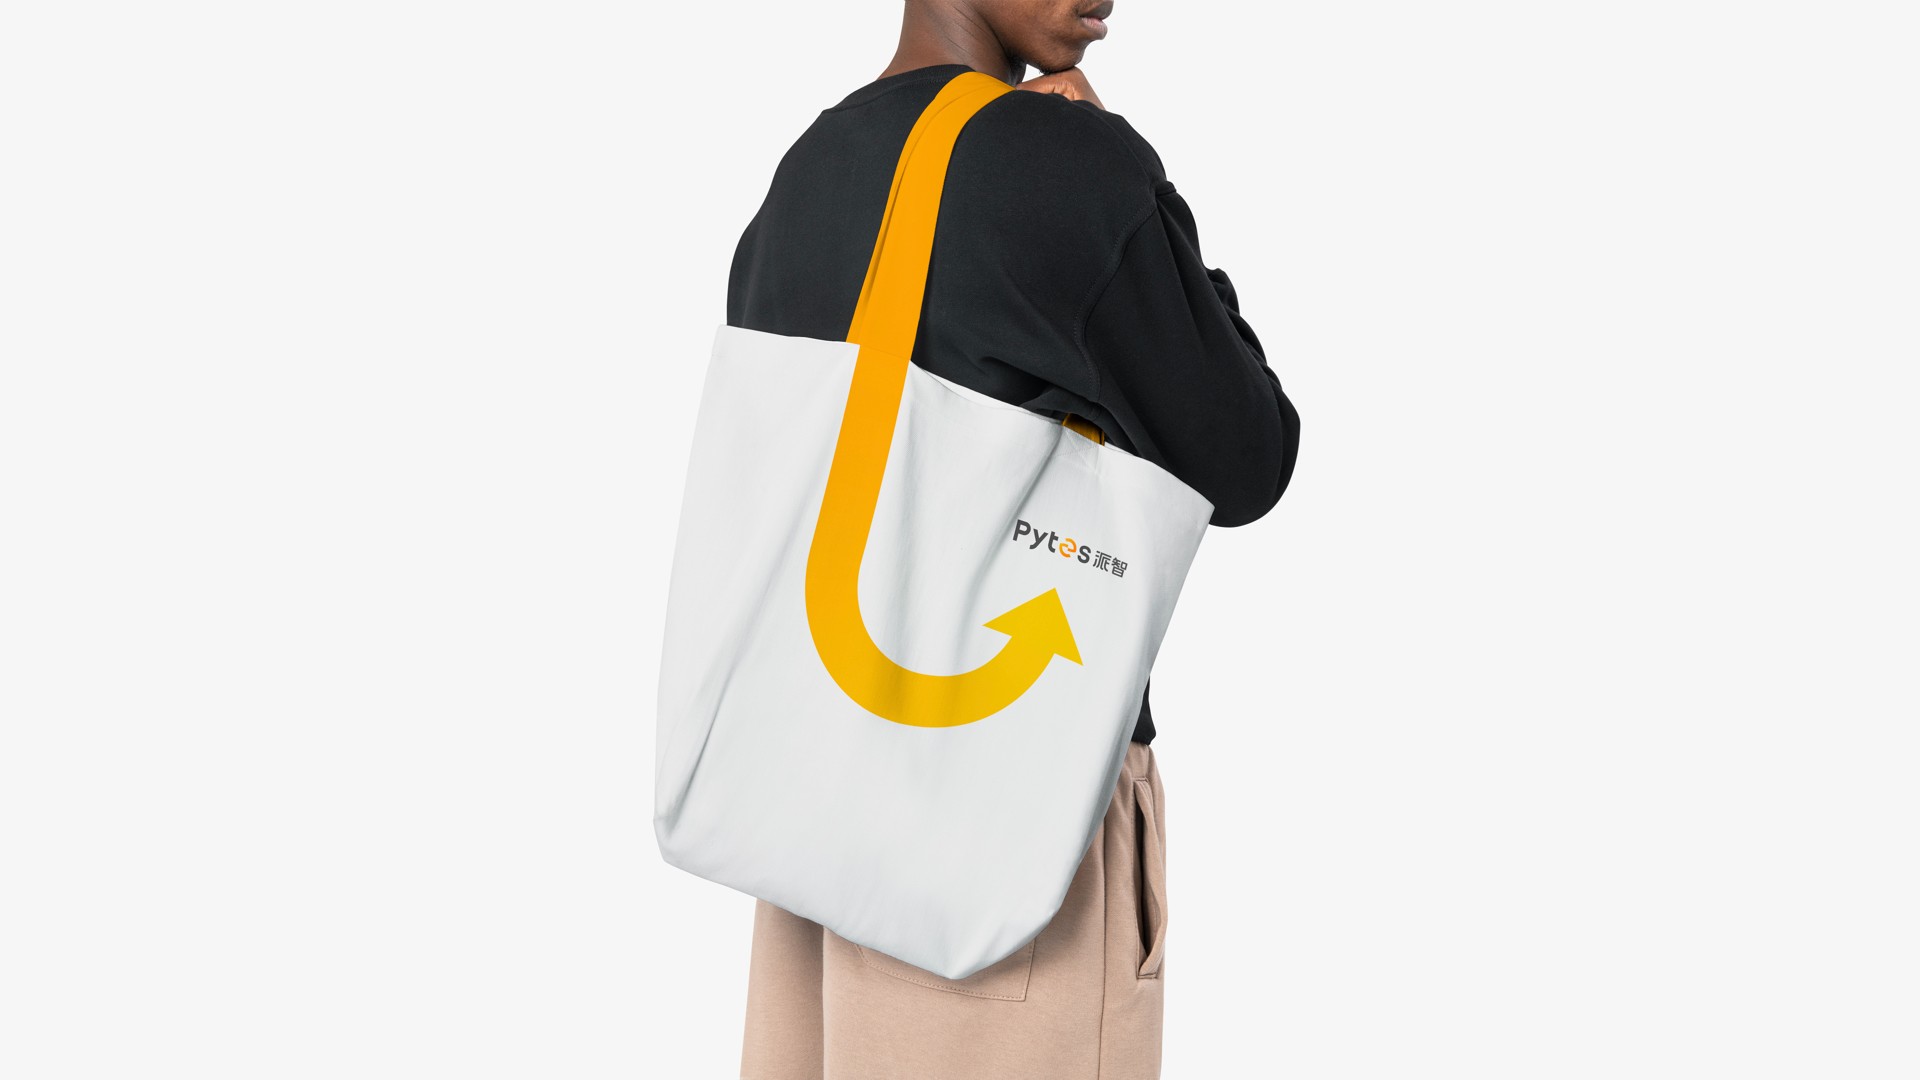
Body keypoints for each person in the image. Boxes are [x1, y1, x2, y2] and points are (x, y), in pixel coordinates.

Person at [729, 2, 1300, 1077]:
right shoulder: (1072, 167)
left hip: (812, 817)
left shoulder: (808, 169)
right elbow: (1248, 456)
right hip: (1014, 829)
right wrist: (1143, 194)